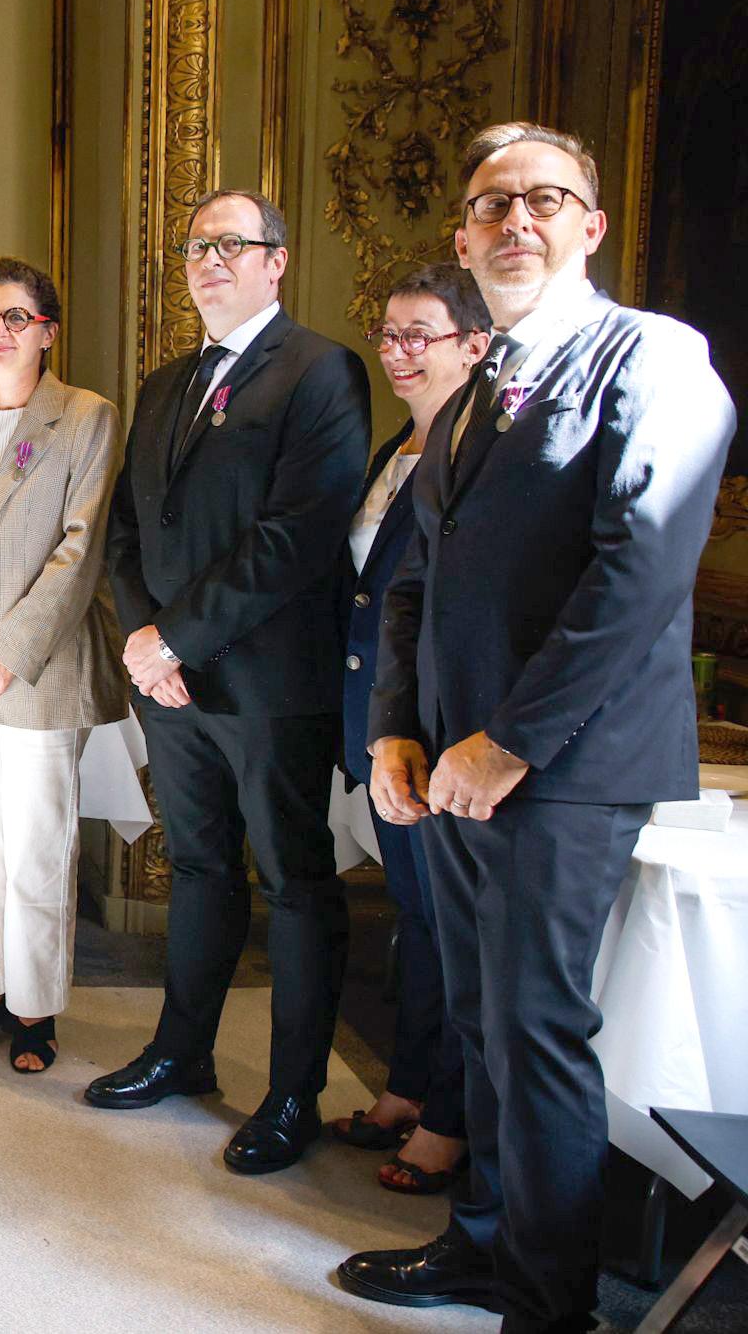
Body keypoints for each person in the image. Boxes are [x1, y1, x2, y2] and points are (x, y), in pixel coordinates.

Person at [341, 122, 735, 1330]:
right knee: (479, 1025)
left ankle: (545, 1308)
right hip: (450, 762)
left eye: (545, 199)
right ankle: (479, 1247)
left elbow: (638, 571)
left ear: (590, 226)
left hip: (559, 767)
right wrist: (396, 728)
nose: (516, 218)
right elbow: (413, 580)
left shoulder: (652, 357)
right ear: (462, 239)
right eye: (491, 204)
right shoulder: (470, 394)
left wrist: (506, 740)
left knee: (533, 1033)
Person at [93, 190, 371, 1177]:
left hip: (270, 683)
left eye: (230, 244)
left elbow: (296, 535)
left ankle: (294, 1094)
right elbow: (127, 529)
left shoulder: (319, 370)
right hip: (169, 685)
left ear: (275, 260)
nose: (208, 260)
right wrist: (144, 643)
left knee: (294, 885)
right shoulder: (166, 382)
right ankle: (181, 1052)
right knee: (199, 869)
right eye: (195, 246)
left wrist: (175, 639)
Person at [0, 257, 128, 1075]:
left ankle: (35, 1011)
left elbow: (81, 549)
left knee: (37, 848)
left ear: (47, 332)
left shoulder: (86, 416)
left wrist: (8, 652)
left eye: (16, 317)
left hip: (39, 672)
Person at [328, 264, 489, 1196]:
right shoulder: (400, 446)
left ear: (475, 344)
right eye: (388, 334)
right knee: (417, 919)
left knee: (452, 931)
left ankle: (449, 1121)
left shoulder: (475, 452)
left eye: (419, 334)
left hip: (436, 728)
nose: (397, 352)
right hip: (383, 724)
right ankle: (408, 1089)